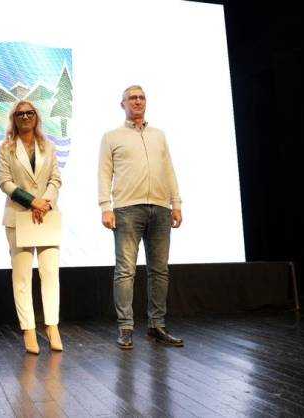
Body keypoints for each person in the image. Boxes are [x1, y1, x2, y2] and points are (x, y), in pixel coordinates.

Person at [98, 85, 184, 349]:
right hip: (127, 209)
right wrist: (105, 206)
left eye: (141, 97)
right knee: (125, 271)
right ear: (122, 104)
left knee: (159, 270)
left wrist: (176, 203)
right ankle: (125, 328)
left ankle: (156, 325)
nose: (137, 101)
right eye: (132, 98)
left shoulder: (159, 135)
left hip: (160, 207)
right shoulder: (112, 136)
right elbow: (104, 173)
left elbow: (168, 170)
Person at [0, 101, 63, 354]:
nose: (25, 117)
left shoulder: (49, 146)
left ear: (36, 117)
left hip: (46, 215)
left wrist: (44, 202)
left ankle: (52, 326)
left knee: (50, 274)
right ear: (14, 118)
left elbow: (56, 179)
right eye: (20, 114)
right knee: (22, 277)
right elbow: (4, 182)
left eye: (30, 113)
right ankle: (28, 329)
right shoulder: (6, 148)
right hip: (18, 217)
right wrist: (31, 201)